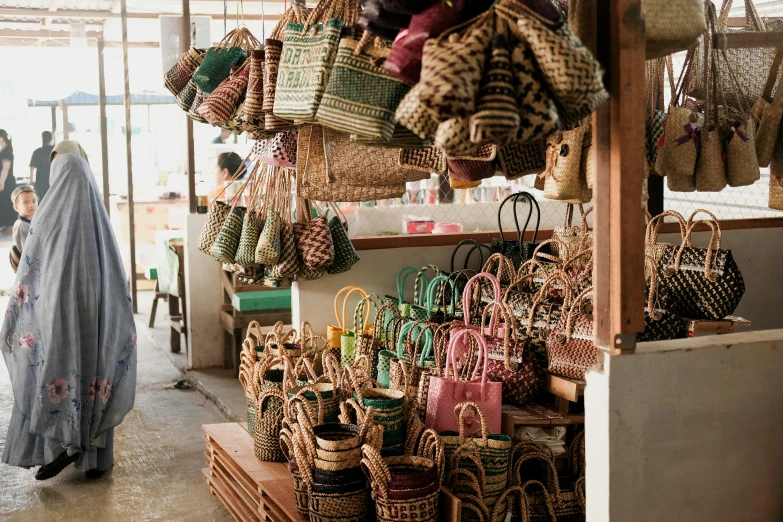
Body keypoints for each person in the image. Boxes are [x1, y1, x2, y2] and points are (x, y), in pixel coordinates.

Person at [1, 151, 137, 481]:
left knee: (60, 376)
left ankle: (62, 446)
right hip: (98, 322)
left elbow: (29, 273)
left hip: (60, 320)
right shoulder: (99, 220)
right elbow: (118, 278)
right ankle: (95, 461)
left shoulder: (48, 218)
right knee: (95, 381)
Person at [11, 185, 37, 254]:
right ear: (16, 207)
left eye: (33, 201)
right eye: (25, 202)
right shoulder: (21, 225)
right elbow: (26, 252)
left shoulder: (33, 222)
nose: (31, 205)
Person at [29, 131, 54, 200]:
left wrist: (31, 182)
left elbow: (32, 170)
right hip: (54, 180)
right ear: (51, 138)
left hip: (40, 182)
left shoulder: (37, 152)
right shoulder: (55, 151)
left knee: (43, 202)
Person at [0, 129, 17, 228]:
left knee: (7, 202)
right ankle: (6, 225)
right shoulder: (4, 150)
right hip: (5, 180)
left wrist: (2, 182)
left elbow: (6, 169)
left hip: (7, 181)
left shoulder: (7, 150)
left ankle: (10, 226)